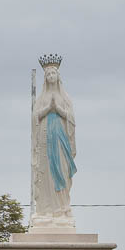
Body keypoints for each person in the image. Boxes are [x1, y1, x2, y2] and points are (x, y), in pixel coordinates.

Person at [30, 53, 76, 230]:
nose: (51, 77)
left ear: (58, 76)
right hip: (44, 141)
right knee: (45, 173)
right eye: (48, 74)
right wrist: (48, 108)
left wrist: (58, 110)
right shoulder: (42, 98)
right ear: (45, 78)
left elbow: (71, 119)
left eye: (53, 74)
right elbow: (35, 117)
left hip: (60, 140)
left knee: (61, 172)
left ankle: (61, 209)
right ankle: (46, 210)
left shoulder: (65, 98)